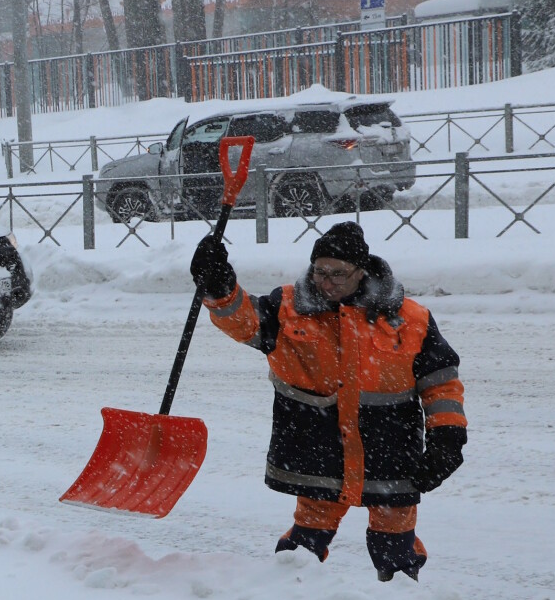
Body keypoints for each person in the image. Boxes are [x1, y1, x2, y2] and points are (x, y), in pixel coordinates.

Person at [190, 221, 466, 581]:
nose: (327, 281)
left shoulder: (409, 319)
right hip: (317, 446)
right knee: (309, 532)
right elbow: (243, 322)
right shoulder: (287, 307)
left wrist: (447, 438)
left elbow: (441, 384)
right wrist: (219, 286)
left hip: (389, 448)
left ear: (361, 272)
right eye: (320, 271)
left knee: (395, 534)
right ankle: (286, 592)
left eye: (339, 273)